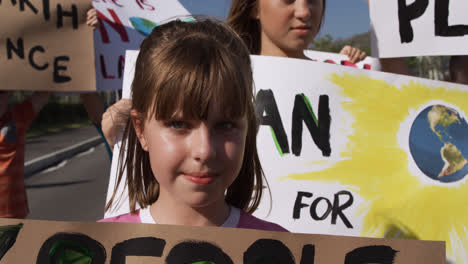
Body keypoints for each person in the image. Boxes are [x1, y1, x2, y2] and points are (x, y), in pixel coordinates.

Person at [101, 19, 287, 231]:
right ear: (141, 130)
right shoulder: (97, 249)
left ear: (247, 128)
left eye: (225, 125)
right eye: (178, 124)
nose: (204, 151)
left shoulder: (282, 249)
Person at [227, 0, 367, 62]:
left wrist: (348, 70)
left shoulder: (340, 76)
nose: (304, 12)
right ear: (254, 8)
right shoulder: (227, 81)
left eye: (312, 0)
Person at [0, 91, 49, 218]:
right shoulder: (17, 118)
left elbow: (44, 93)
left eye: (1, 92)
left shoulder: (17, 118)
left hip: (12, 214)